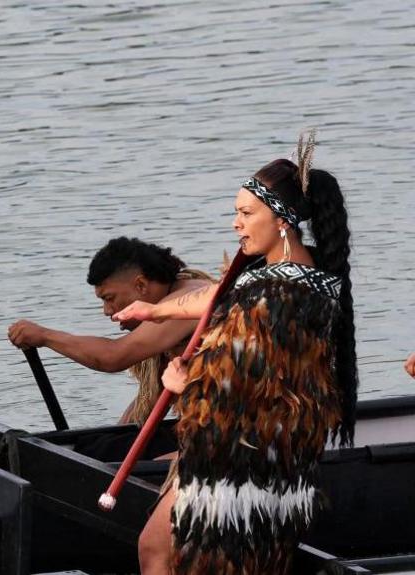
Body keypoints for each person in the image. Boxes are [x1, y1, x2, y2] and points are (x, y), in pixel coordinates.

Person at [115, 138, 358, 574]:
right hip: (271, 456)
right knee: (163, 550)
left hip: (241, 458)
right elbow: (213, 298)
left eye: (246, 214)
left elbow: (241, 374)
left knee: (164, 552)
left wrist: (182, 383)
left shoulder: (273, 296)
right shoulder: (304, 277)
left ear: (281, 220)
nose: (236, 224)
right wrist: (155, 308)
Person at [7, 237, 213, 425]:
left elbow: (113, 356)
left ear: (141, 285)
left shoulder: (185, 303)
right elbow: (149, 401)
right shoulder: (173, 298)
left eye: (109, 298)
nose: (107, 311)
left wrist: (44, 336)